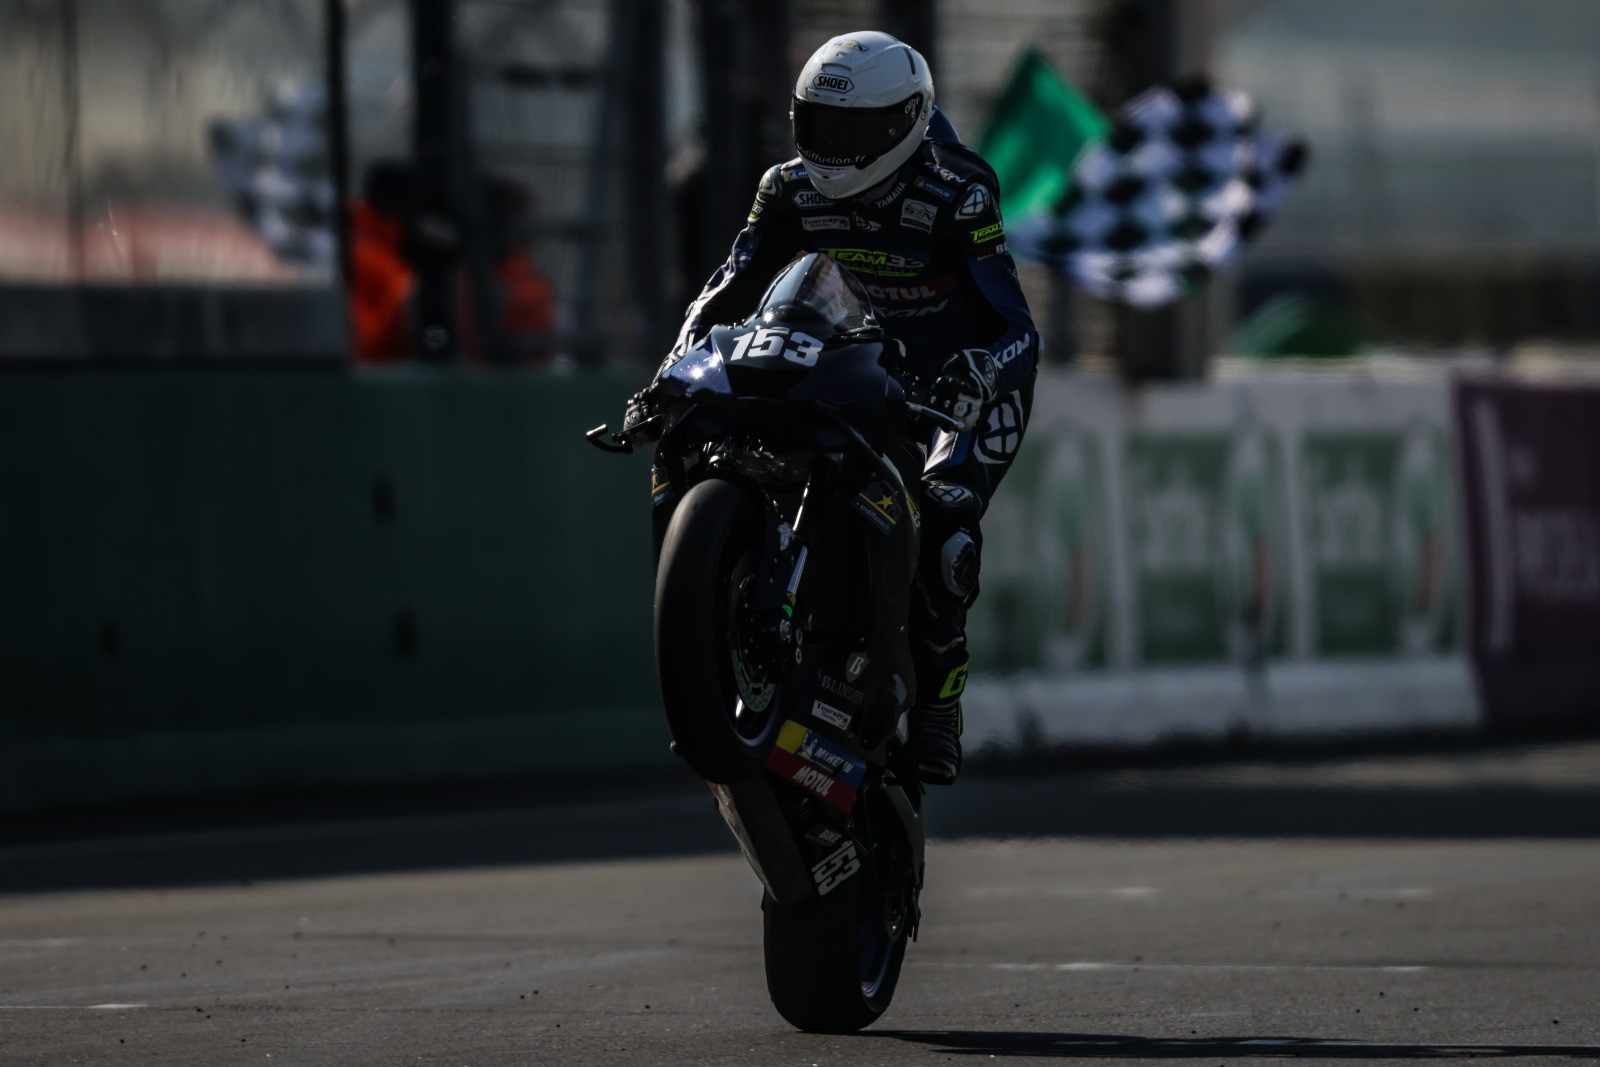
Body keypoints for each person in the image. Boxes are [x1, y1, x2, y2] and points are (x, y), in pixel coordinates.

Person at [625, 30, 1039, 785]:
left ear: (906, 121)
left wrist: (978, 375)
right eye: (818, 126)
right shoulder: (786, 187)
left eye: (853, 133)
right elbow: (730, 282)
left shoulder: (957, 193)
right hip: (839, 349)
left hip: (949, 381)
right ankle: (712, 633)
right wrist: (671, 368)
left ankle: (942, 704)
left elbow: (1013, 326)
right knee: (688, 431)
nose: (832, 150)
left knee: (946, 517)